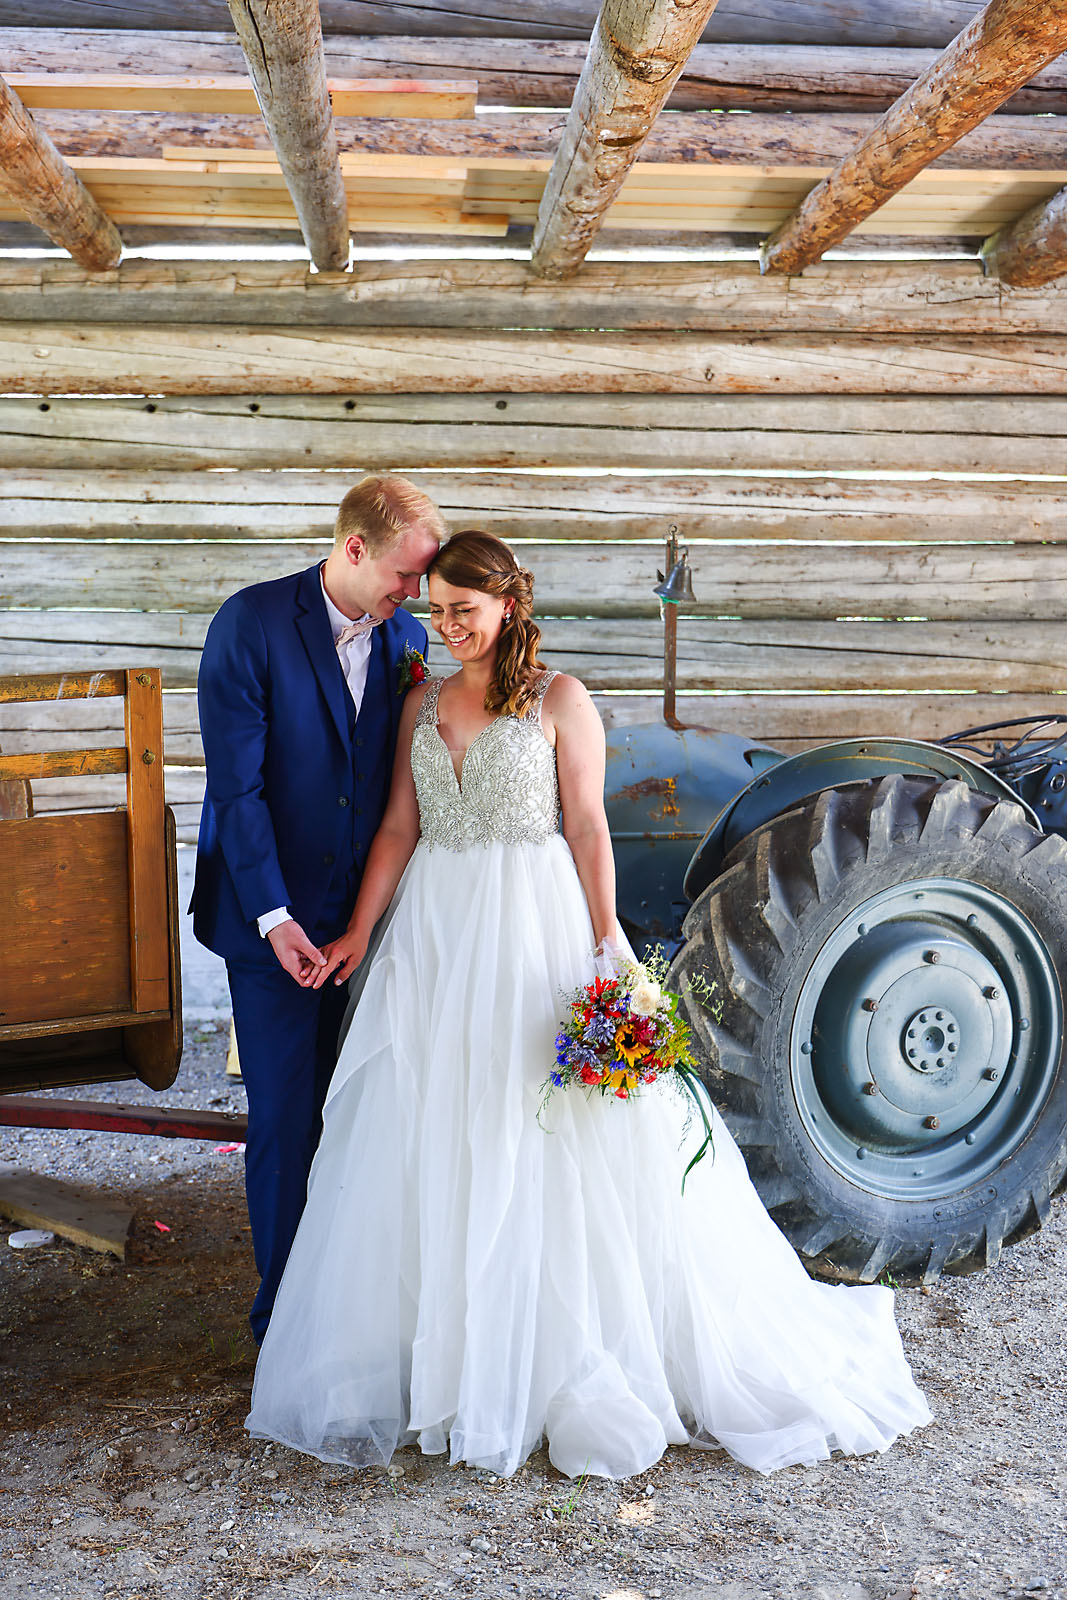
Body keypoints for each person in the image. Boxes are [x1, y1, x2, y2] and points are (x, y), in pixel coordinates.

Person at [245, 530, 931, 1479]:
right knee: (434, 1120)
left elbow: (585, 824)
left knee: (546, 1124)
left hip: (532, 923)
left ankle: (546, 1350)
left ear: (508, 605)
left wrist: (605, 941)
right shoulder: (418, 699)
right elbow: (400, 825)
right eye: (435, 611)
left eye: (462, 611)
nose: (445, 629)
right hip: (437, 929)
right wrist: (362, 931)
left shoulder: (559, 700)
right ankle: (438, 1351)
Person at [192, 474, 447, 1347]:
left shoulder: (404, 636)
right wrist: (276, 919)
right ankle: (285, 1328)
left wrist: (371, 921)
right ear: (353, 550)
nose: (416, 596)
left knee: (372, 1109)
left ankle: (361, 1316)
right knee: (286, 1118)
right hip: (274, 925)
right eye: (406, 575)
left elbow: (394, 791)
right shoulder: (251, 624)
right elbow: (236, 790)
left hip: (370, 924)